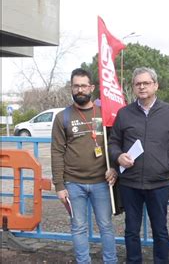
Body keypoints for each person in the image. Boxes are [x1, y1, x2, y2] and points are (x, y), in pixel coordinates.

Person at [108, 67, 169, 263]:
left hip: (159, 184)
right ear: (134, 87)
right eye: (138, 84)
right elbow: (113, 142)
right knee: (131, 231)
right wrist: (118, 157)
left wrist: (167, 164)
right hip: (130, 183)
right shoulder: (124, 113)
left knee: (160, 231)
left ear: (155, 85)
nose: (142, 87)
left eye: (146, 83)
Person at [51, 68, 118, 264]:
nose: (80, 90)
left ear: (92, 87)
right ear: (71, 88)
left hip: (102, 182)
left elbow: (115, 143)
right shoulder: (62, 117)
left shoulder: (105, 113)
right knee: (78, 227)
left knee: (106, 226)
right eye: (76, 86)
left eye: (83, 85)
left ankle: (110, 261)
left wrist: (113, 167)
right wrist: (59, 185)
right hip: (73, 184)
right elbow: (57, 152)